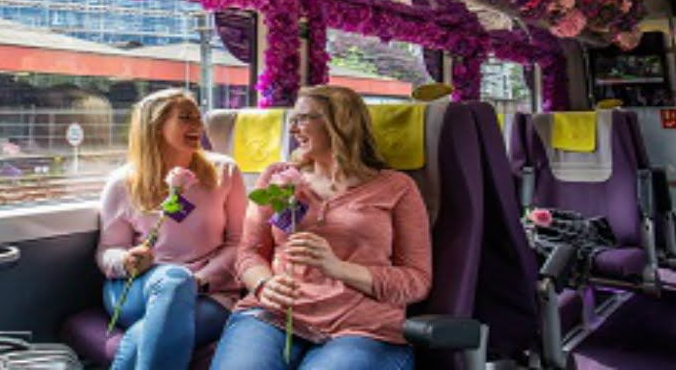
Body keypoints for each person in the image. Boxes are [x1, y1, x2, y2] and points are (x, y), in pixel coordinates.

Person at [212, 85, 431, 370]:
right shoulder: (279, 178)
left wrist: (337, 268)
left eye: (303, 119)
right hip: (274, 317)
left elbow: (417, 281)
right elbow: (249, 254)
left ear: (340, 122)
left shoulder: (397, 188)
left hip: (361, 329)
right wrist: (264, 285)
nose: (293, 130)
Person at [96, 88, 247, 370]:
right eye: (185, 118)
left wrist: (199, 279)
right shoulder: (122, 182)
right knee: (172, 279)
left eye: (198, 117)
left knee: (144, 335)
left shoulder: (225, 171)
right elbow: (108, 250)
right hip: (136, 288)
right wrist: (124, 261)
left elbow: (239, 242)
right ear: (155, 126)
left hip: (209, 290)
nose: (197, 126)